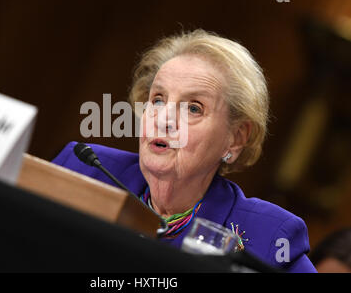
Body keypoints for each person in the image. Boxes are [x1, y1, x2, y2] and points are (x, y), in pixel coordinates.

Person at [52, 29, 317, 273]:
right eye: (157, 100)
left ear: (235, 139)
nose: (164, 119)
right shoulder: (81, 167)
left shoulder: (269, 237)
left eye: (193, 108)